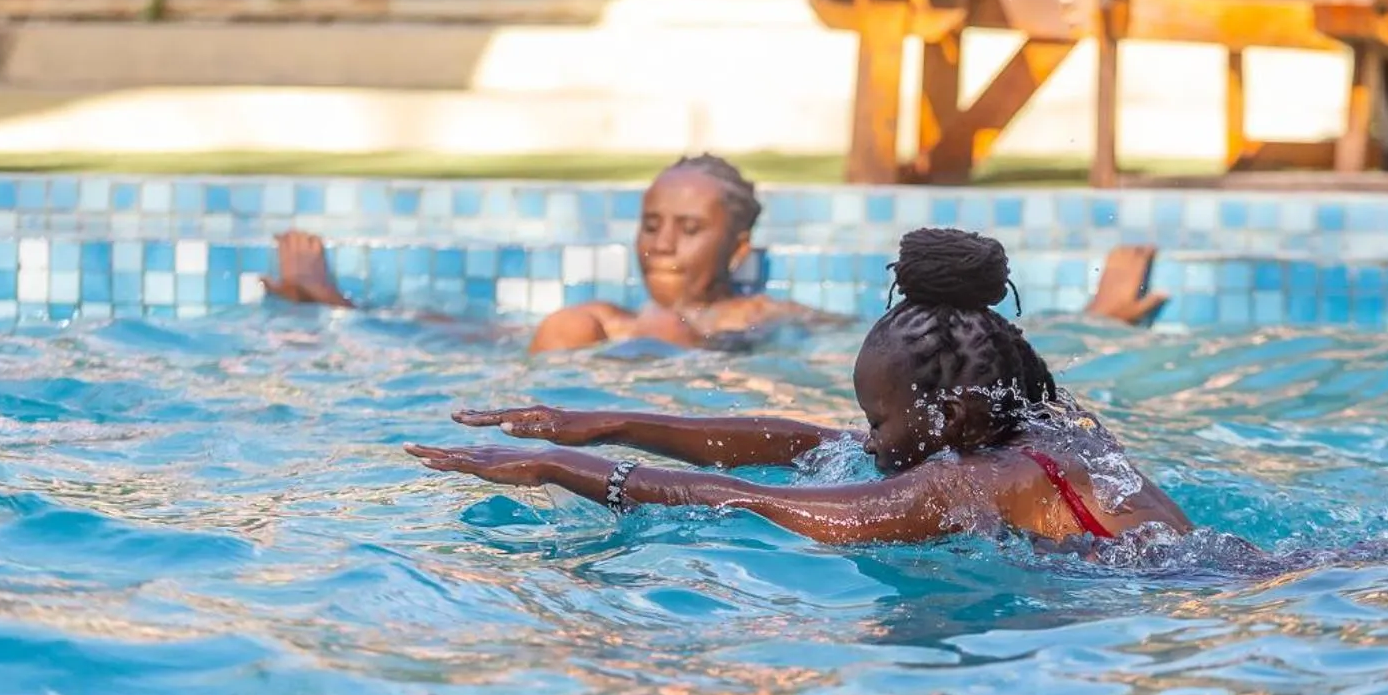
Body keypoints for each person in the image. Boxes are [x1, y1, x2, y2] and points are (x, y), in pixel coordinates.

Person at [406, 228, 1195, 547]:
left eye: (878, 419)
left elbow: (766, 503)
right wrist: (595, 420)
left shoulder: (976, 479)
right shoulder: (1042, 432)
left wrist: (563, 470)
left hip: (1200, 609)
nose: (870, 437)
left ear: (944, 412)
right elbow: (807, 443)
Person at [265, 155, 1170, 352]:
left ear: (741, 246)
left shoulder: (756, 315)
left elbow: (915, 344)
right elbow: (466, 335)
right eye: (651, 223)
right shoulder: (603, 312)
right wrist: (333, 304)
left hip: (676, 415)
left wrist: (1085, 328)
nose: (660, 241)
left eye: (685, 228)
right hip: (583, 386)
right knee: (574, 322)